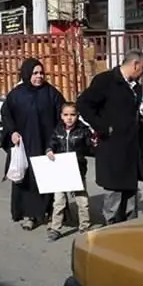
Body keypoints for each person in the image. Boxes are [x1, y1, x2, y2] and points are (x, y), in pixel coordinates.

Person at [76, 49, 143, 223]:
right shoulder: (106, 81)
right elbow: (84, 104)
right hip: (112, 147)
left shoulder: (137, 86)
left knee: (131, 194)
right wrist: (102, 127)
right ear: (135, 64)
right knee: (114, 193)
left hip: (131, 148)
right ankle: (109, 230)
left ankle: (131, 231)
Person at [1, 57, 65, 230]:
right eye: (35, 73)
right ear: (27, 74)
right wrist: (12, 131)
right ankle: (29, 215)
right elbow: (6, 115)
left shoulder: (51, 93)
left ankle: (52, 212)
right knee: (27, 181)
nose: (39, 76)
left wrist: (58, 138)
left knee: (48, 180)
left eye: (41, 73)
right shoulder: (17, 94)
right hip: (25, 146)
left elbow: (64, 114)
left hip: (47, 144)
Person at [45, 101, 93, 241]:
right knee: (59, 201)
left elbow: (90, 145)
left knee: (82, 200)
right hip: (61, 171)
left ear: (77, 116)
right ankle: (55, 228)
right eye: (66, 115)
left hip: (77, 170)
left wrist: (93, 141)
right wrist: (49, 150)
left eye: (72, 115)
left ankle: (84, 226)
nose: (69, 118)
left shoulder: (83, 130)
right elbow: (51, 143)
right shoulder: (57, 130)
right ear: (61, 116)